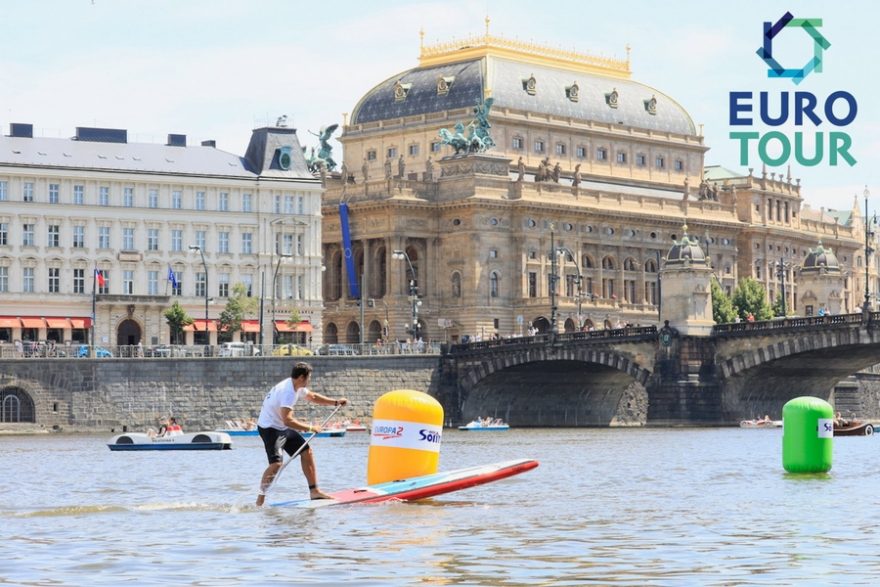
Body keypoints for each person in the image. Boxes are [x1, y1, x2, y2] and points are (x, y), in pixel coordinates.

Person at [255, 362, 348, 506]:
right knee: (276, 464)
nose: (309, 380)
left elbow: (313, 397)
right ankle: (260, 499)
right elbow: (288, 420)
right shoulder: (288, 392)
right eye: (308, 377)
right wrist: (311, 427)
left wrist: (335, 402)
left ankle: (314, 491)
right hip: (270, 428)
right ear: (301, 377)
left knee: (307, 451)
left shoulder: (296, 386)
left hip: (281, 426)